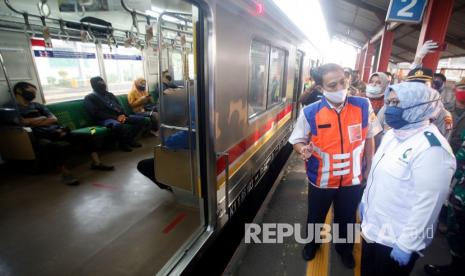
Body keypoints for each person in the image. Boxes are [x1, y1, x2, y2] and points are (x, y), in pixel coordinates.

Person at [289, 63, 382, 268]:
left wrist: (370, 167)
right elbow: (297, 139)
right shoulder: (310, 112)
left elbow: (369, 137)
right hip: (321, 179)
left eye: (343, 81)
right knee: (316, 216)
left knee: (347, 219)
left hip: (353, 179)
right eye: (333, 85)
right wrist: (302, 149)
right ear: (321, 89)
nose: (341, 87)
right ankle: (312, 244)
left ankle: (344, 249)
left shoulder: (363, 105)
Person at [359, 82, 456, 276]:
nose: (390, 107)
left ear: (420, 106)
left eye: (397, 102)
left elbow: (428, 203)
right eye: (389, 101)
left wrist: (407, 243)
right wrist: (364, 202)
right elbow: (378, 177)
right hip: (373, 228)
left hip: (395, 240)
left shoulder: (432, 149)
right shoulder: (393, 135)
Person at [14, 82, 114, 185]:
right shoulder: (12, 108)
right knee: (54, 146)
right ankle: (66, 174)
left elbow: (53, 119)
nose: (33, 95)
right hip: (39, 136)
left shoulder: (37, 105)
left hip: (58, 131)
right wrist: (42, 118)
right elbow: (21, 122)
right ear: (19, 91)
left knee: (89, 136)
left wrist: (32, 121)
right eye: (31, 91)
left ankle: (96, 163)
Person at [424, 124, 465, 275]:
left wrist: (450, 187)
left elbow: (460, 161)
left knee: (457, 232)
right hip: (460, 194)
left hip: (461, 196)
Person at [84, 76, 146, 152]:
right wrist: (115, 117)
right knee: (117, 125)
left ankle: (130, 140)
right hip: (104, 119)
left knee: (141, 120)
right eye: (100, 83)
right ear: (94, 86)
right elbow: (96, 113)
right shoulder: (90, 98)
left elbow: (119, 106)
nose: (103, 85)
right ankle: (122, 144)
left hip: (119, 116)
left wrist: (123, 114)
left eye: (103, 82)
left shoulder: (110, 95)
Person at [403, 68, 453, 139]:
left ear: (433, 87)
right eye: (412, 86)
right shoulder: (402, 108)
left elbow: (441, 145)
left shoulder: (443, 115)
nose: (417, 90)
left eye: (423, 85)